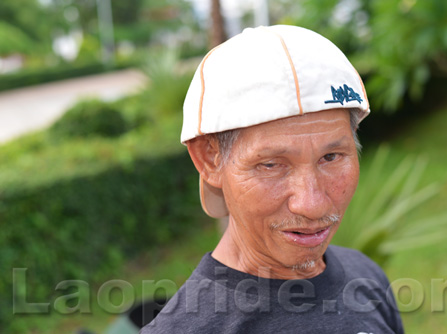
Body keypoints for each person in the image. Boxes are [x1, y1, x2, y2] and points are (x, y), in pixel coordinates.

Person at [141, 25, 404, 334]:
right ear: (209, 159)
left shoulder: (367, 277)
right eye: (270, 165)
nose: (312, 204)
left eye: (331, 157)